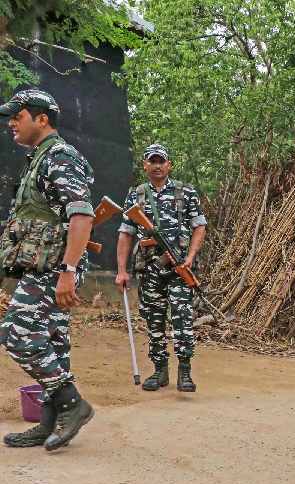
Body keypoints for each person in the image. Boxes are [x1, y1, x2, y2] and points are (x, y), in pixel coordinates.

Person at [0, 89, 96, 450]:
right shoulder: (39, 159)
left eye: (17, 115)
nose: (11, 122)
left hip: (56, 266)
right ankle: (49, 420)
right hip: (42, 264)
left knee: (15, 331)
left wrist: (68, 270)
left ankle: (72, 402)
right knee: (53, 341)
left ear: (42, 119)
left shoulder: (59, 156)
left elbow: (82, 216)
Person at [115, 144, 207, 392]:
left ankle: (185, 372)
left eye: (161, 161)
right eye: (152, 161)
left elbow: (199, 226)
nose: (157, 165)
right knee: (153, 319)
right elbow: (126, 234)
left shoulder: (185, 192)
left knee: (182, 317)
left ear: (169, 165)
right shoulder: (136, 195)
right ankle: (159, 371)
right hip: (149, 268)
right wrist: (122, 270)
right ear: (145, 165)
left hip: (179, 267)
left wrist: (190, 256)